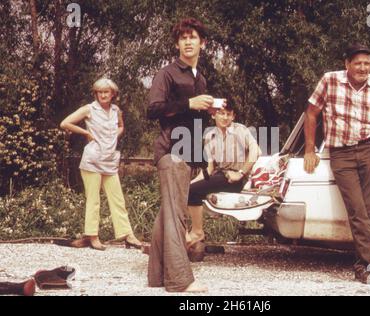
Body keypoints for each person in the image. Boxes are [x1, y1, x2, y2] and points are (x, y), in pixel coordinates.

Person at [303, 43, 370, 284]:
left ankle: (362, 266)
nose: (363, 68)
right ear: (347, 64)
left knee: (369, 212)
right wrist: (310, 149)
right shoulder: (330, 80)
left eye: (367, 63)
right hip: (341, 153)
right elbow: (311, 113)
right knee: (357, 210)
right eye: (358, 63)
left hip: (369, 150)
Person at [146, 18, 213, 292]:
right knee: (176, 215)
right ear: (177, 44)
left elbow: (194, 124)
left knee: (168, 213)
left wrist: (198, 157)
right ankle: (179, 281)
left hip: (186, 153)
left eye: (193, 37)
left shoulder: (200, 78)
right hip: (170, 150)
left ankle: (157, 277)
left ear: (202, 43)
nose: (188, 41)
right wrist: (189, 103)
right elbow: (153, 110)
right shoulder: (167, 73)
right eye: (183, 38)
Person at [60, 78, 142, 251]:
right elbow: (65, 123)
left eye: (106, 92)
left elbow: (121, 126)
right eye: (100, 92)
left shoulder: (116, 110)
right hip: (92, 160)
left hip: (110, 160)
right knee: (94, 200)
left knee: (118, 199)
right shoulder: (89, 109)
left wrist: (114, 136)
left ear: (113, 94)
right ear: (95, 94)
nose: (103, 95)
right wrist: (86, 133)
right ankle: (92, 236)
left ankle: (128, 235)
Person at [187, 101, 261, 248]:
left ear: (233, 116)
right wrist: (192, 183)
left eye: (229, 114)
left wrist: (240, 173)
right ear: (214, 115)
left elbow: (256, 152)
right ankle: (187, 233)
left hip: (236, 178)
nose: (225, 117)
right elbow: (209, 169)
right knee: (188, 189)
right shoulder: (210, 136)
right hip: (220, 176)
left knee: (191, 192)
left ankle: (197, 233)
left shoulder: (241, 130)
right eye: (221, 113)